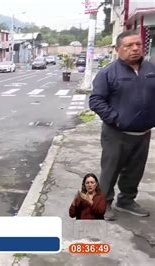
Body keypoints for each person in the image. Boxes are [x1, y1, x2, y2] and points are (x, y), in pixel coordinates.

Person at [89, 30, 154, 220]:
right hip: (116, 133)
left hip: (143, 133)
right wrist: (116, 118)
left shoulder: (151, 70)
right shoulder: (108, 73)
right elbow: (96, 101)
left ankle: (126, 200)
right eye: (129, 46)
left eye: (138, 44)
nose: (135, 48)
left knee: (135, 171)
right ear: (118, 49)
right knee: (110, 170)